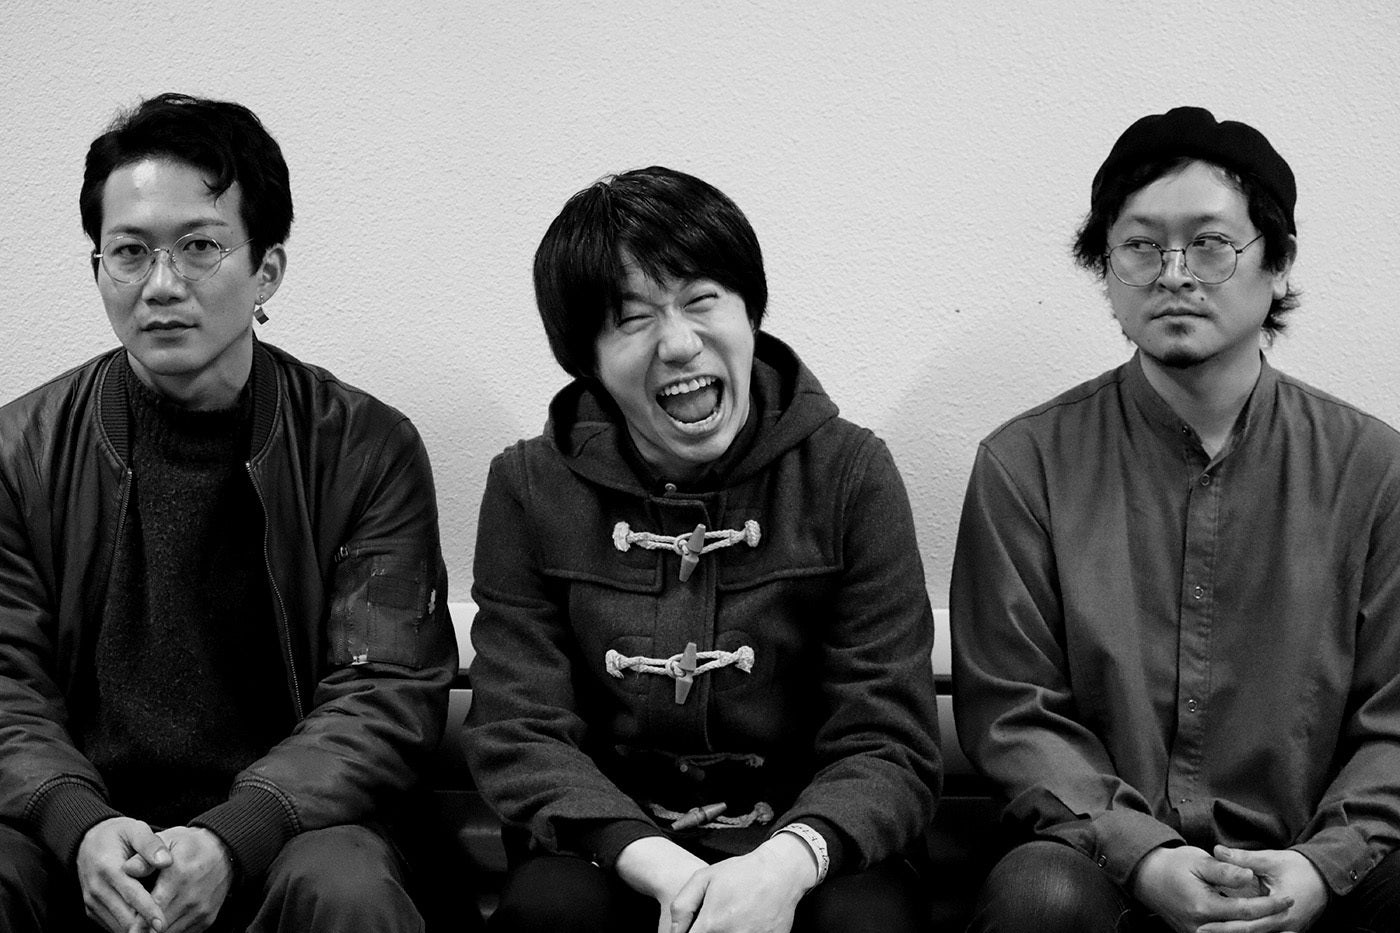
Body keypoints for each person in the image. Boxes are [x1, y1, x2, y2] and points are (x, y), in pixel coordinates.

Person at [0, 93, 457, 933]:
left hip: (292, 830)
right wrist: (78, 820)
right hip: (84, 841)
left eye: (199, 247)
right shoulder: (18, 453)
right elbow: (5, 684)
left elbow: (383, 692)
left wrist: (234, 832)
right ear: (97, 268)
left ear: (267, 270)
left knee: (346, 886)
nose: (161, 285)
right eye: (129, 252)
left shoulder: (365, 449)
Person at [951, 106, 1400, 933]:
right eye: (1140, 246)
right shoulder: (1025, 464)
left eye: (1210, 244)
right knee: (1039, 896)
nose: (1174, 274)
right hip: (1104, 861)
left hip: (1311, 858)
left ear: (1278, 264)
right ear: (1107, 271)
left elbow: (1395, 718)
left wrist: (1320, 863)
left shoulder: (1373, 470)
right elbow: (1013, 712)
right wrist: (1145, 854)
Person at [463, 166, 941, 932]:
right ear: (587, 358)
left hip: (809, 846)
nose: (680, 342)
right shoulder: (528, 487)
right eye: (633, 318)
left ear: (750, 311)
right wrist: (667, 869)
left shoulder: (850, 473)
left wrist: (784, 863)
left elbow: (886, 738)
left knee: (867, 922)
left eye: (701, 299)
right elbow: (520, 730)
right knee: (551, 911)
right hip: (611, 849)